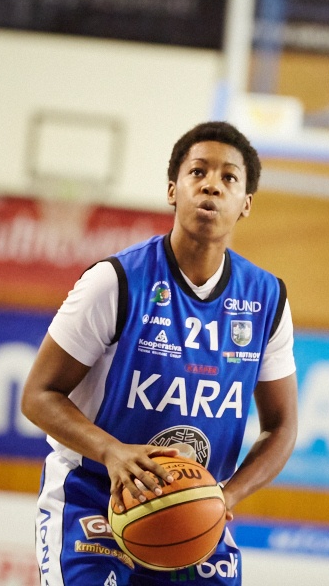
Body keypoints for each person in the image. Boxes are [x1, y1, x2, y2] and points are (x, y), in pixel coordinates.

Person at [21, 121, 298, 585]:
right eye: (198, 172)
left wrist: (226, 496)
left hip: (192, 510)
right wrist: (112, 452)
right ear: (173, 190)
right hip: (95, 498)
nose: (211, 184)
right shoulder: (115, 282)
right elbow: (37, 395)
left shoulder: (267, 299)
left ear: (246, 203)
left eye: (229, 177)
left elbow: (282, 425)